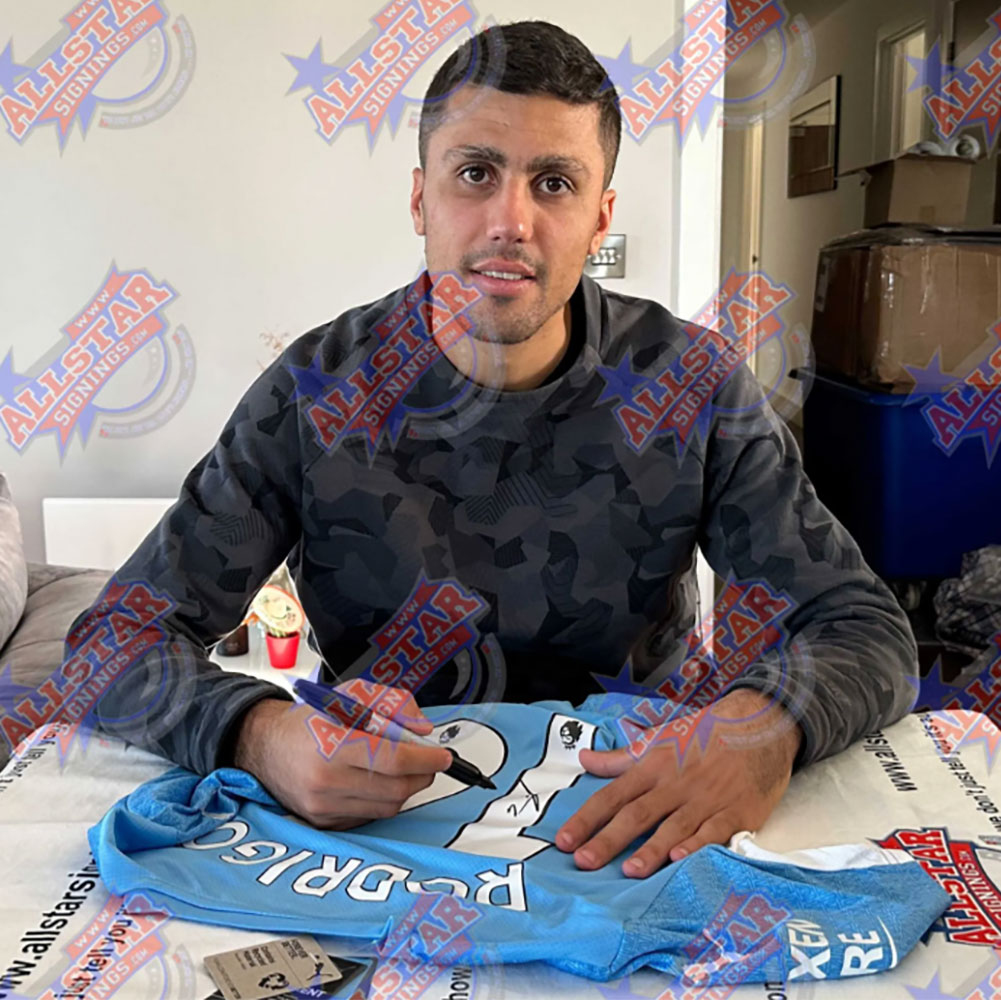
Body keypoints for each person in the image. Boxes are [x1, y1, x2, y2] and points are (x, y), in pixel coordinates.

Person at [60, 20, 918, 879]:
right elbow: (111, 641)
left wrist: (763, 728)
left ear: (599, 217)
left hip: (637, 812)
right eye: (475, 173)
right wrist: (261, 732)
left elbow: (862, 627)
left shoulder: (691, 383)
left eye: (554, 183)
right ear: (419, 199)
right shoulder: (312, 392)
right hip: (387, 823)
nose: (511, 221)